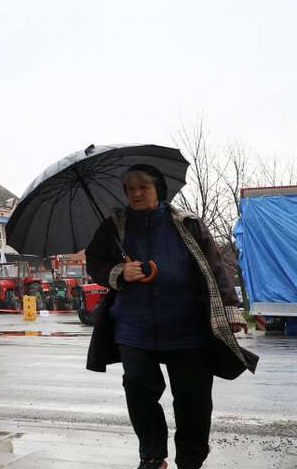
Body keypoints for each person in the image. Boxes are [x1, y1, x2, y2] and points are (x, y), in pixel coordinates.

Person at [85, 164, 258, 469]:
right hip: (134, 327)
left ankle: (190, 460)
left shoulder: (187, 224)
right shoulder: (113, 228)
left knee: (193, 398)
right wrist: (119, 271)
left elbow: (215, 269)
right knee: (139, 390)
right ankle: (152, 456)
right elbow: (95, 263)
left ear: (158, 189)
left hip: (187, 326)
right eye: (130, 188)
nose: (136, 193)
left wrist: (231, 311)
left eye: (143, 187)